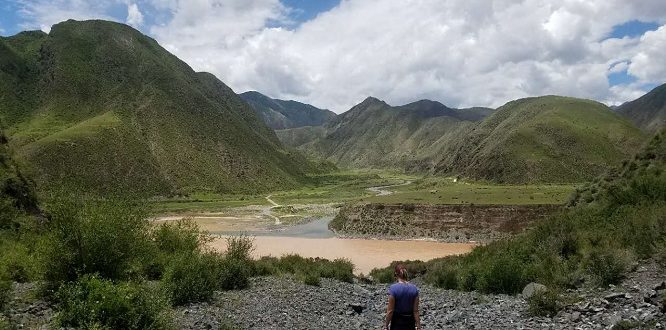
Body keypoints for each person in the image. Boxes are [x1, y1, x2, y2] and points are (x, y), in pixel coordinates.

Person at [383, 264, 421, 330]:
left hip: (397, 322)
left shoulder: (393, 288)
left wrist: (386, 325)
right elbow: (416, 311)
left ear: (396, 274)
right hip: (410, 322)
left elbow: (390, 311)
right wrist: (418, 326)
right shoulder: (414, 288)